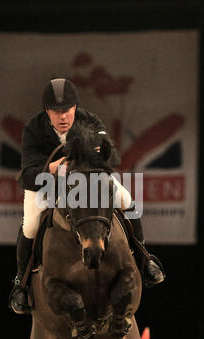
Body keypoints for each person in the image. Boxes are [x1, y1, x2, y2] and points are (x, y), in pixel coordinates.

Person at [9, 78, 165, 314]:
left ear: (75, 108)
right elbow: (28, 172)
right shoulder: (33, 128)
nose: (63, 117)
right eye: (56, 111)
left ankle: (145, 259)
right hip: (46, 184)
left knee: (128, 201)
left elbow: (113, 158)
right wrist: (51, 168)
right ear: (46, 111)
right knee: (30, 225)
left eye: (67, 110)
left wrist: (96, 155)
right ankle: (21, 284)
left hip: (86, 181)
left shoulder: (89, 120)